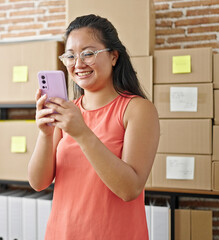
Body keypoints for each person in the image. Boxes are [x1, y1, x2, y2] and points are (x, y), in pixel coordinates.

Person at [28, 14, 160, 239]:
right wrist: (45, 134)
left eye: (88, 53)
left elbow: (130, 189)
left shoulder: (138, 110)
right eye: (70, 56)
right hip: (61, 233)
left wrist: (81, 133)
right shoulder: (68, 112)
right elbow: (38, 183)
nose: (78, 64)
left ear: (113, 56)